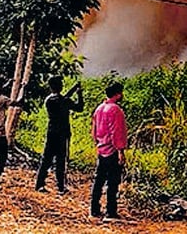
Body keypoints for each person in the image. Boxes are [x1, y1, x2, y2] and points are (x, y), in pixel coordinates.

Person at [35, 75, 85, 193]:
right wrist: (79, 93)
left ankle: (39, 184)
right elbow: (79, 108)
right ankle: (61, 187)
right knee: (60, 161)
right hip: (62, 133)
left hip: (51, 132)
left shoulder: (49, 100)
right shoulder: (64, 101)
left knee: (46, 159)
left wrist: (73, 89)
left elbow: (63, 98)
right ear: (60, 86)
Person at [91, 81, 128, 220]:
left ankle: (94, 209)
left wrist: (98, 143)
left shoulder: (99, 109)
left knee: (99, 180)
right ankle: (110, 211)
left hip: (101, 149)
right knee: (113, 182)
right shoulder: (116, 110)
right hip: (112, 150)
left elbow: (94, 131)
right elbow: (117, 132)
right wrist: (121, 151)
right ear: (117, 94)